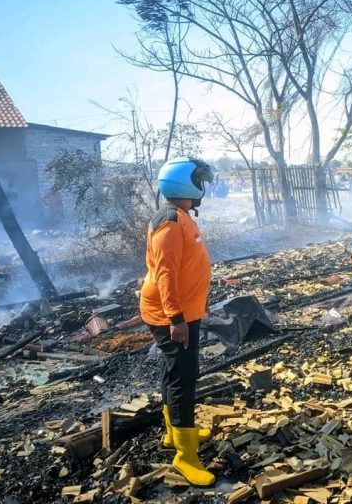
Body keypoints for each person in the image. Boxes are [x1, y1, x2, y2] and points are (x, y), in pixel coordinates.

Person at [140, 157, 216, 487]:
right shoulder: (170, 222)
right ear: (185, 183)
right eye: (199, 179)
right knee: (184, 377)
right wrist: (177, 318)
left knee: (174, 372)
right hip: (173, 314)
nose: (203, 185)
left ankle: (175, 434)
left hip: (184, 310)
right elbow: (166, 274)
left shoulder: (181, 216)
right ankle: (186, 457)